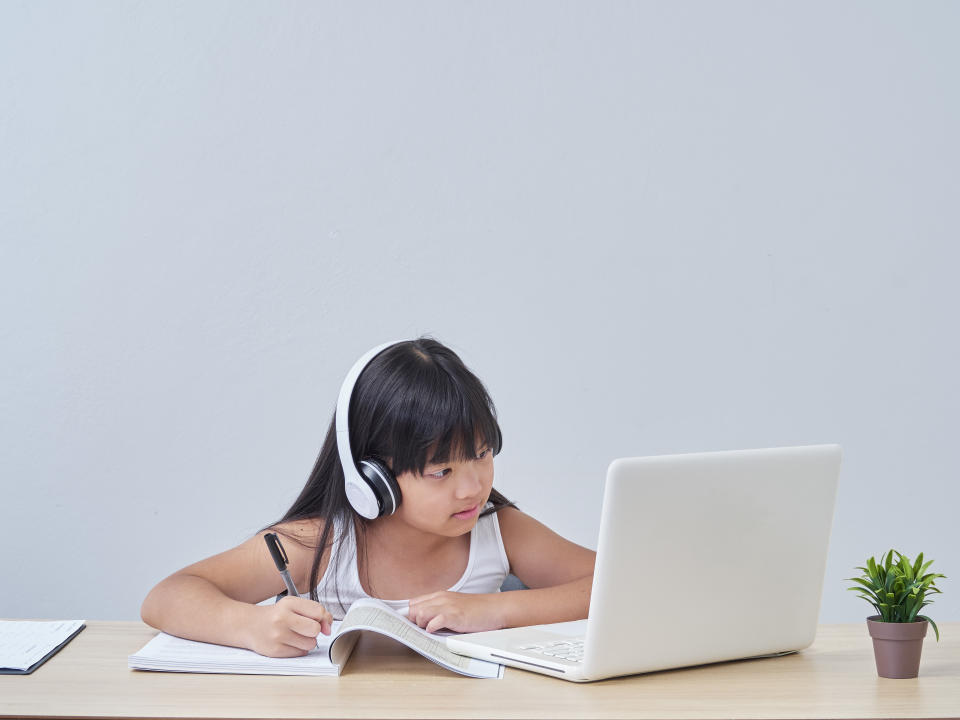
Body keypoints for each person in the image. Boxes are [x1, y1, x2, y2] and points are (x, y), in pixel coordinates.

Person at [141, 337, 595, 658]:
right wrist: (252, 626)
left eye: (482, 455)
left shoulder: (499, 529)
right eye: (442, 471)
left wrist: (493, 610)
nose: (473, 487)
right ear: (371, 478)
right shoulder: (321, 545)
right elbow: (167, 597)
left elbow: (620, 583)